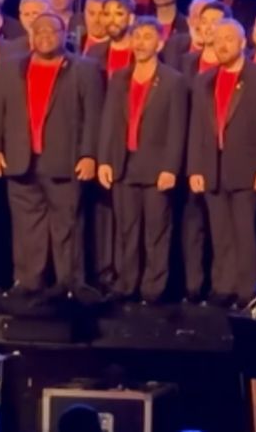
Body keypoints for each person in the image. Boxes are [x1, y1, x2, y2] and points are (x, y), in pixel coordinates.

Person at [0, 13, 103, 299]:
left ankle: (70, 283)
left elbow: (94, 117)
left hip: (65, 160)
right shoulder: (9, 68)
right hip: (20, 159)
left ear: (65, 34)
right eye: (39, 31)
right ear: (30, 36)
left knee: (68, 225)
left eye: (52, 30)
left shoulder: (85, 69)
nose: (46, 35)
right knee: (27, 227)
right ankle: (29, 281)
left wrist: (89, 155)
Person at [188, 18, 256, 308]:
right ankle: (223, 286)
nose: (222, 44)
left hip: (246, 167)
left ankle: (246, 290)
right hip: (212, 168)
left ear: (243, 43)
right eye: (217, 39)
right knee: (220, 232)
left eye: (229, 38)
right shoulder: (204, 80)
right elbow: (198, 128)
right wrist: (195, 168)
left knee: (244, 231)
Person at [97, 16, 188, 303]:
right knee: (127, 229)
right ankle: (127, 284)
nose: (140, 42)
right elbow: (109, 123)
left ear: (160, 42)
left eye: (147, 37)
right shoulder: (120, 78)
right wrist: (105, 161)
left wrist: (170, 168)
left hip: (156, 167)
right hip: (124, 165)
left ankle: (153, 288)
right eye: (137, 36)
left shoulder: (173, 81)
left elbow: (177, 128)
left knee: (156, 231)